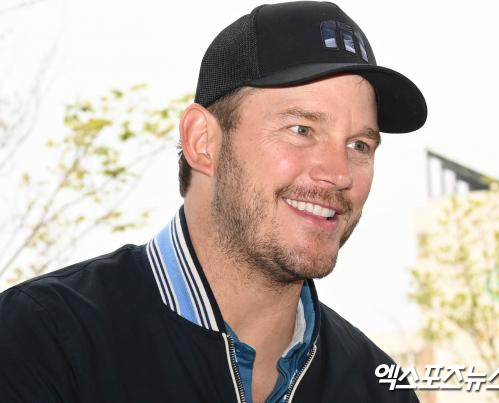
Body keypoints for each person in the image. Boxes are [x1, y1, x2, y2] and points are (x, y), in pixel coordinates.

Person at [0, 2, 427, 402]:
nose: (339, 173)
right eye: (301, 130)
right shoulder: (39, 340)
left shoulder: (379, 388)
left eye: (358, 145)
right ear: (202, 141)